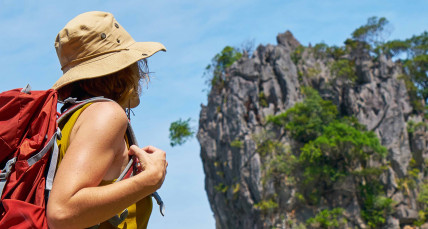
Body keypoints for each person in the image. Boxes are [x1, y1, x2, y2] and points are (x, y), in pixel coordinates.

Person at [46, 11, 168, 229]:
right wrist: (151, 179)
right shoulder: (105, 114)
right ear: (123, 70)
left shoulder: (70, 120)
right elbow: (61, 212)